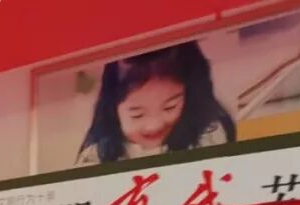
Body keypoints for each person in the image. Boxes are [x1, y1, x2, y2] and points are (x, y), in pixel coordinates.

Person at [76, 42, 234, 166]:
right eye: (137, 115)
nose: (154, 125)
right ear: (113, 111)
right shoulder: (98, 154)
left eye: (170, 107)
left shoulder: (208, 134)